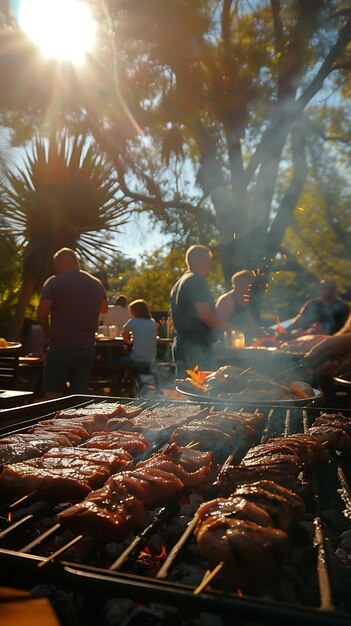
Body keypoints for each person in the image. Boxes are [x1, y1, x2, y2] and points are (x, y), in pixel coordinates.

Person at [37, 247, 108, 398]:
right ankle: (75, 421)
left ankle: (53, 421)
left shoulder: (54, 282)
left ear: (61, 263)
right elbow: (104, 308)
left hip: (60, 345)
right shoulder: (96, 283)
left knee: (53, 393)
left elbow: (42, 314)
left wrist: (47, 334)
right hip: (87, 346)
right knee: (78, 396)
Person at [170, 244, 230, 376]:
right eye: (208, 261)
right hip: (196, 347)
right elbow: (205, 314)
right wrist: (228, 327)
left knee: (187, 388)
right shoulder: (197, 280)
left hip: (181, 344)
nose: (210, 265)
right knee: (202, 389)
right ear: (200, 261)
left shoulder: (178, 283)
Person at [112, 299, 157, 391]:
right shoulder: (152, 322)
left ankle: (115, 389)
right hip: (151, 358)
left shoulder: (133, 321)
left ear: (135, 312)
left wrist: (129, 342)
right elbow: (155, 336)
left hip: (137, 358)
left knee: (117, 362)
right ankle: (134, 385)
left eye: (131, 311)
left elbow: (124, 334)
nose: (130, 313)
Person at [282, 279, 350, 338]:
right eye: (324, 288)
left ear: (335, 290)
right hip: (306, 335)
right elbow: (301, 320)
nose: (328, 290)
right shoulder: (312, 304)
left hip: (331, 338)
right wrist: (286, 330)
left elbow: (346, 328)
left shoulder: (344, 307)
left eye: (331, 288)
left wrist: (333, 337)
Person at [215, 269, 260, 344]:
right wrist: (235, 332)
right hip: (228, 344)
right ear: (236, 284)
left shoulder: (246, 301)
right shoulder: (227, 300)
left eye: (249, 285)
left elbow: (251, 323)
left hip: (244, 345)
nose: (247, 288)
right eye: (244, 285)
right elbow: (219, 322)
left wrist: (259, 333)